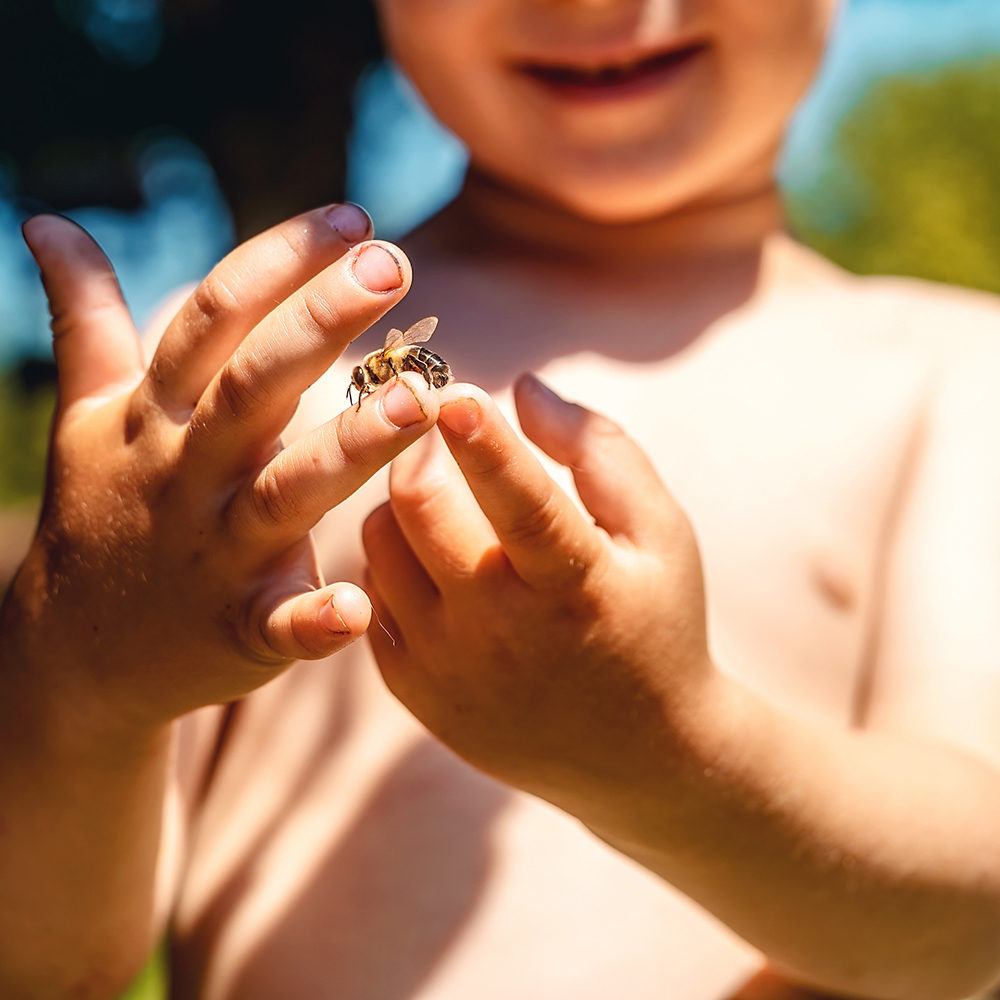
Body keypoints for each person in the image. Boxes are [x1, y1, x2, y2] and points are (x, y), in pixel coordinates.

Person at [4, 0, 1000, 998]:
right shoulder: (232, 379)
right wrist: (84, 675)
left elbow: (968, 924)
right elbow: (41, 963)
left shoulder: (956, 374)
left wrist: (670, 757)